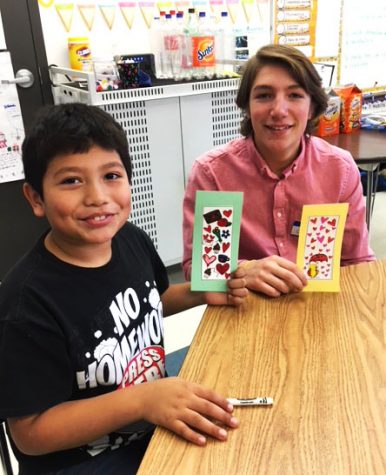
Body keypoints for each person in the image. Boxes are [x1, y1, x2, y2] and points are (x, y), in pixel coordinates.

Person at [0, 103, 248, 475]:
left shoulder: (130, 239)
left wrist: (199, 293)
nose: (97, 196)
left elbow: (153, 301)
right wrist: (142, 401)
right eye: (71, 180)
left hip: (151, 419)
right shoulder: (27, 304)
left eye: (111, 175)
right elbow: (31, 433)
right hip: (84, 460)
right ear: (36, 198)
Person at [183, 44, 375, 298]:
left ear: (313, 108)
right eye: (264, 95)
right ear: (247, 106)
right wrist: (243, 270)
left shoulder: (339, 170)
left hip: (319, 307)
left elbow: (357, 261)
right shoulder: (213, 174)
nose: (279, 111)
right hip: (244, 308)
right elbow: (199, 269)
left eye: (294, 95)